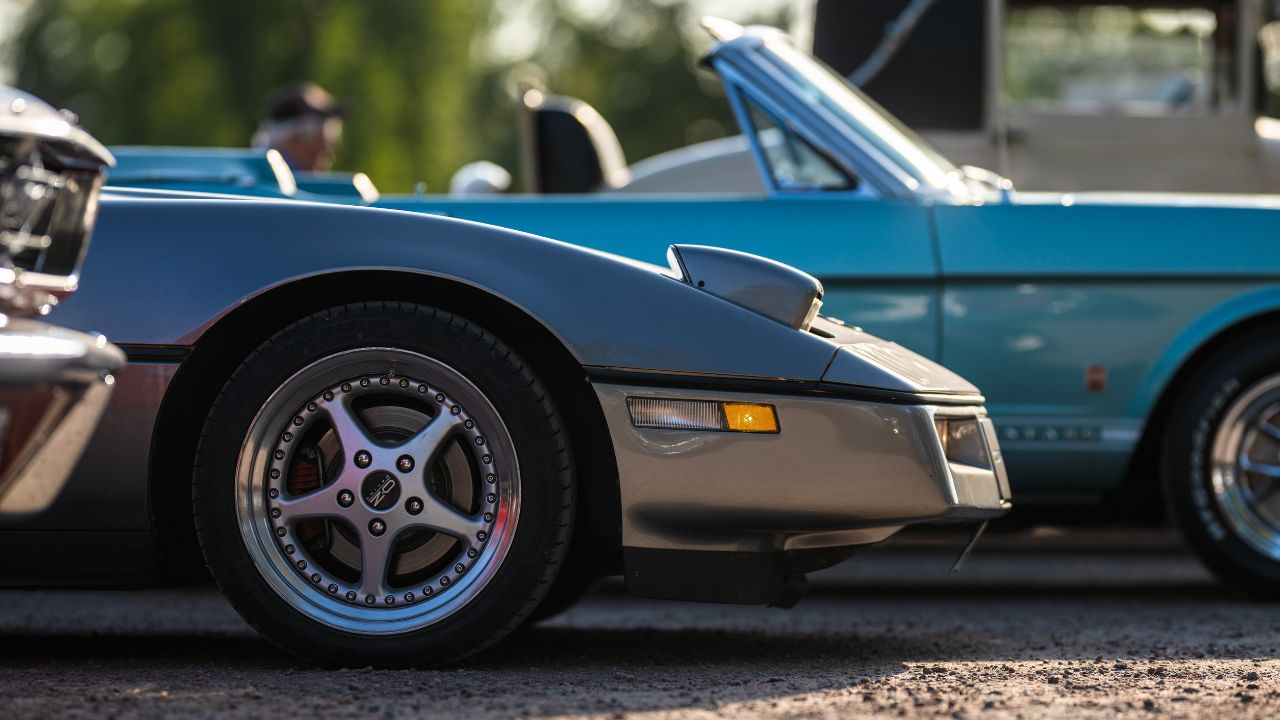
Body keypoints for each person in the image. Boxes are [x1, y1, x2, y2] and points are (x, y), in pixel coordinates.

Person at [251, 83, 344, 172]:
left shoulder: (248, 171)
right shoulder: (282, 182)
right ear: (295, 138)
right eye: (328, 128)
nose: (334, 146)